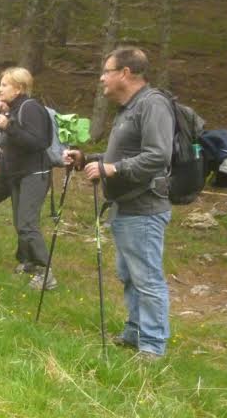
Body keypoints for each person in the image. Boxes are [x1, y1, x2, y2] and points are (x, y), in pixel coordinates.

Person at [64, 47, 174, 359]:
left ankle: (153, 346)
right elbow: (121, 157)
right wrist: (89, 159)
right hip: (125, 206)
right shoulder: (128, 108)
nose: (101, 78)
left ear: (125, 73)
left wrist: (112, 169)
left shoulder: (153, 105)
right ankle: (135, 331)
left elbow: (158, 155)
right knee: (129, 274)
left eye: (107, 71)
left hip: (145, 207)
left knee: (147, 278)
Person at [0, 67, 55, 289]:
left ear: (19, 88)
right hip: (18, 172)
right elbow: (4, 137)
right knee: (21, 223)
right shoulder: (13, 108)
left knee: (27, 223)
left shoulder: (30, 108)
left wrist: (10, 126)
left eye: (4, 85)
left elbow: (39, 142)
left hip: (34, 173)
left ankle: (46, 272)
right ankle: (28, 262)